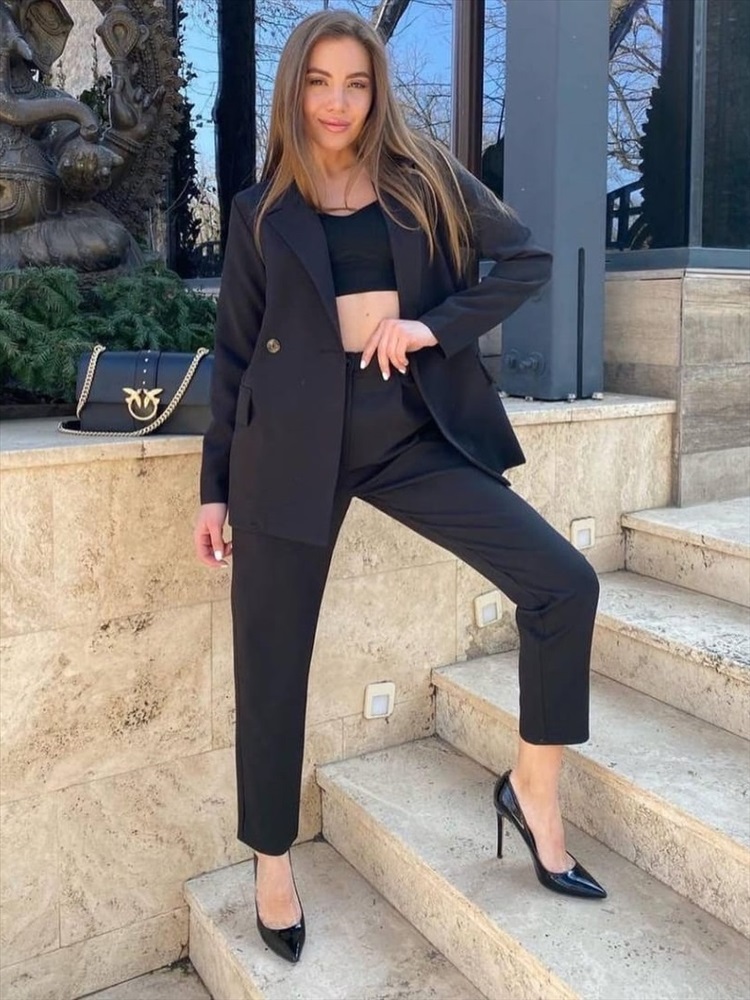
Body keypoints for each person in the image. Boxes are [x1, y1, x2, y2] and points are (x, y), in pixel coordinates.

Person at [193, 8, 606, 966]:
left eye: (356, 83)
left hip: (407, 433)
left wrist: (432, 328)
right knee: (271, 664)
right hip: (287, 450)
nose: (337, 103)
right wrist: (215, 489)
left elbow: (528, 258)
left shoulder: (423, 180)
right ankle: (271, 862)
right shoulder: (261, 211)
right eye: (318, 82)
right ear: (295, 90)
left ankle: (534, 790)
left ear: (377, 91)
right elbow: (235, 356)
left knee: (563, 584)